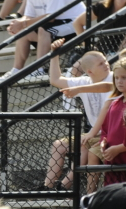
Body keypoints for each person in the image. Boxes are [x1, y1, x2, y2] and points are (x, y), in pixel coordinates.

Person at [45, 42, 112, 190]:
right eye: (101, 64)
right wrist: (54, 54)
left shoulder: (114, 78)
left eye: (105, 60)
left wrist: (78, 89)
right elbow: (55, 80)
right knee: (59, 145)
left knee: (85, 147)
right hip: (93, 134)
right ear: (90, 71)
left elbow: (108, 88)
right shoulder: (84, 81)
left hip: (109, 133)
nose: (106, 64)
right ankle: (47, 188)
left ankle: (62, 188)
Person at [91, 56, 126, 185]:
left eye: (124, 78)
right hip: (114, 163)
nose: (119, 81)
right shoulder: (114, 103)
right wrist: (103, 143)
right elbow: (105, 131)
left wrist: (119, 149)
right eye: (116, 78)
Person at [4, 0, 83, 81]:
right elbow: (28, 16)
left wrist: (23, 24)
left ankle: (40, 69)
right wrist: (18, 24)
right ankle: (16, 70)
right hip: (56, 24)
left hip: (76, 24)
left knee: (43, 29)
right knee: (23, 32)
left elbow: (51, 17)